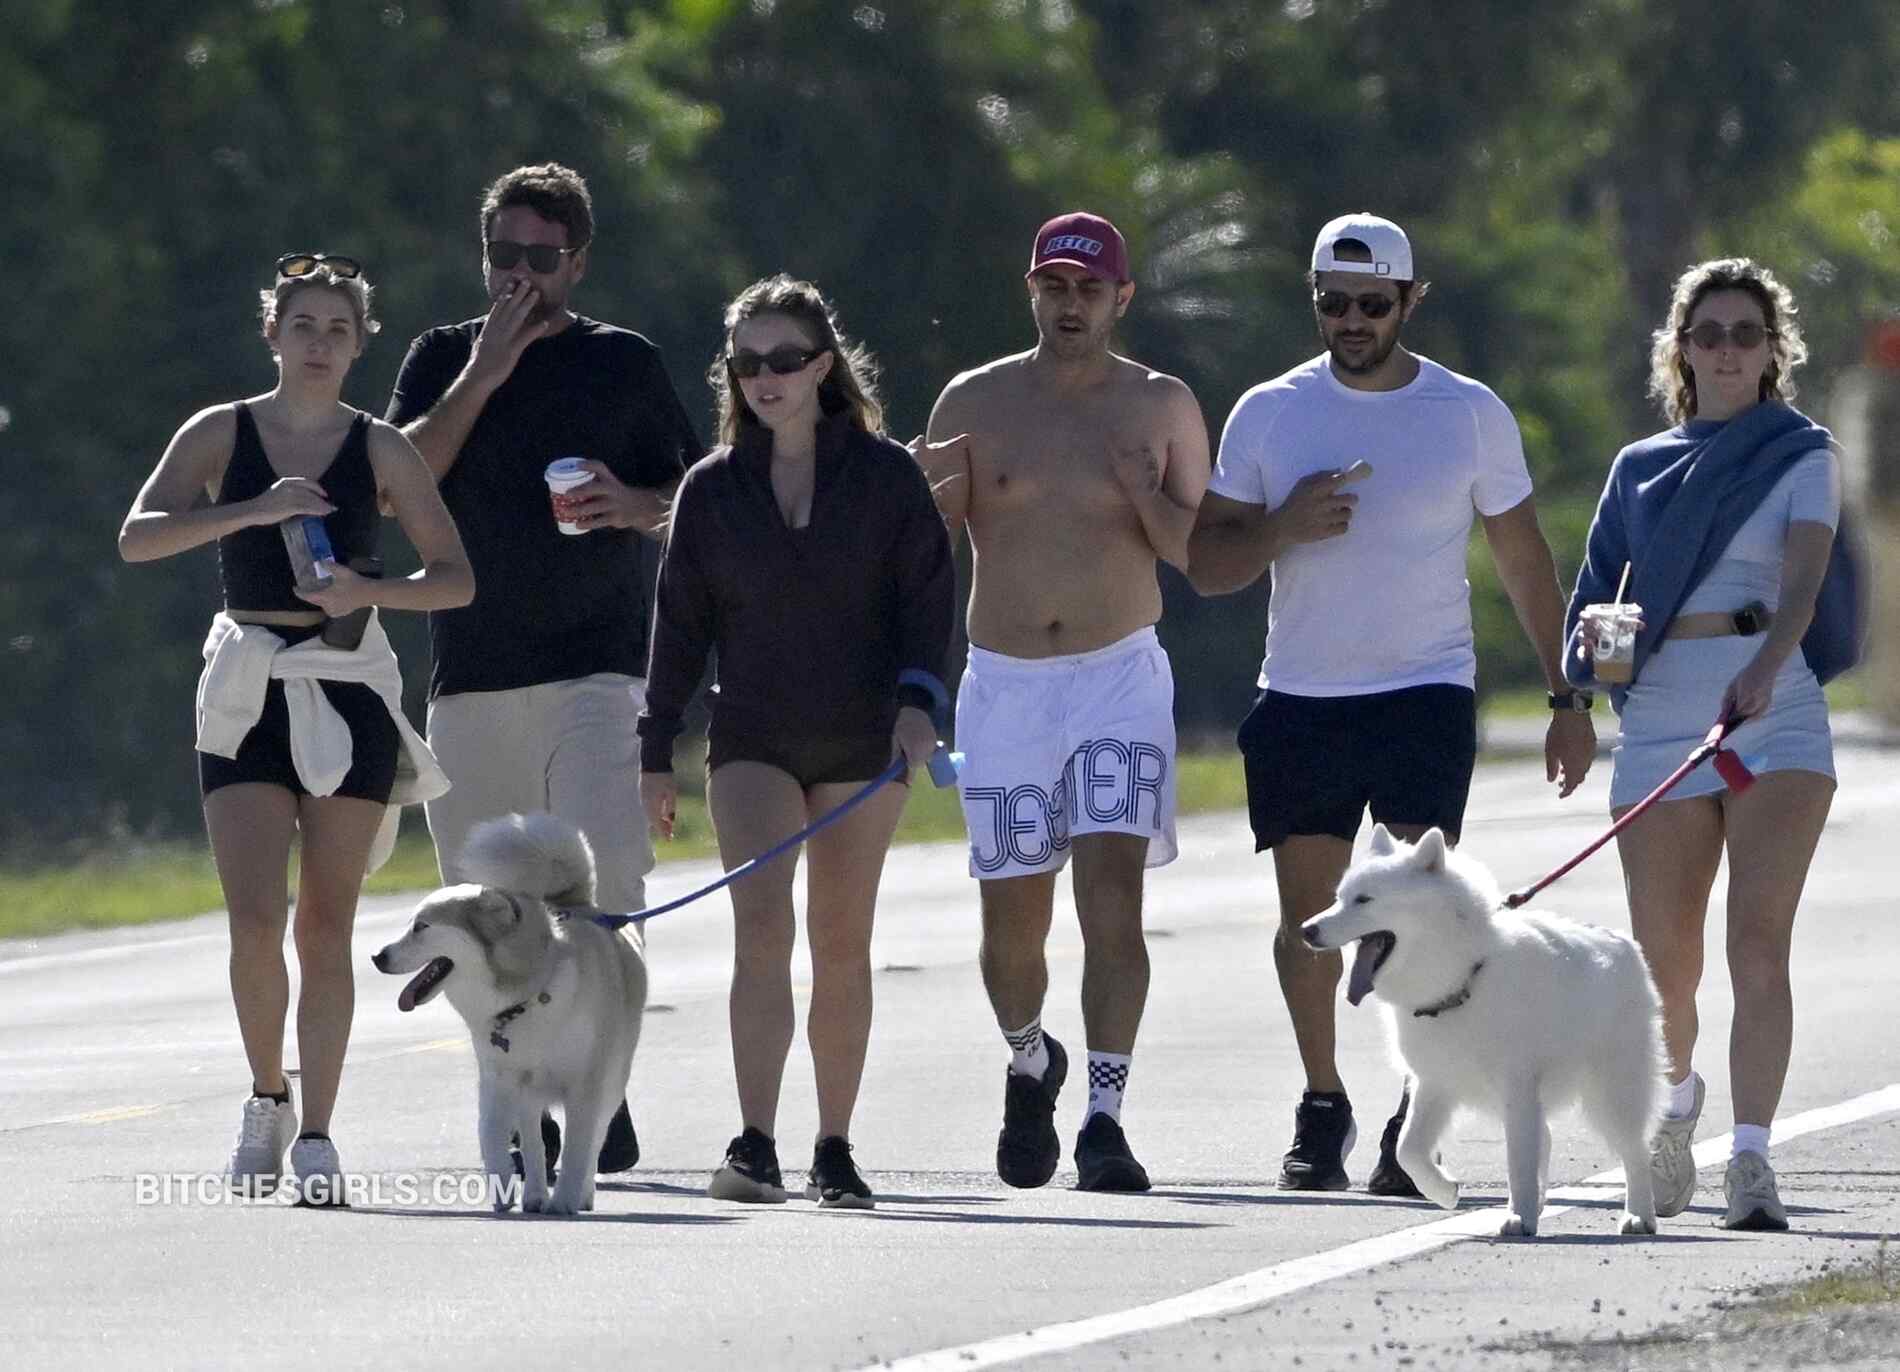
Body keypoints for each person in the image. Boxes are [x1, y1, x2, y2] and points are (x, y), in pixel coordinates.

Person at [1186, 213, 1595, 1196]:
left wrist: (1566, 696)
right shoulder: (1270, 412)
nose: (1353, 320)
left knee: (1421, 920)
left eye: (1374, 303)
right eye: (1334, 302)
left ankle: (1414, 1123)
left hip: (1424, 693)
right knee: (1309, 922)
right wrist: (1282, 527)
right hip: (1303, 695)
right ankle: (1321, 1102)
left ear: (1411, 300)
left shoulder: (1466, 412)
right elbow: (1206, 565)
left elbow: (1523, 557)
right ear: (1315, 301)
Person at [119, 255, 474, 1200]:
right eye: (304, 326)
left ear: (360, 345)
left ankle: (317, 1132)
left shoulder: (380, 447)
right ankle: (267, 1096)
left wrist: (366, 590)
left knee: (325, 924)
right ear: (273, 333)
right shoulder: (221, 431)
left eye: (338, 330)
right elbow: (139, 535)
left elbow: (454, 578)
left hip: (346, 685)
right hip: (247, 686)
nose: (320, 344)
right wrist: (255, 508)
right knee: (253, 919)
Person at [386, 163, 701, 1175]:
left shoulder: (622, 362)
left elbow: (700, 495)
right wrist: (485, 372)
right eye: (503, 255)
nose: (520, 274)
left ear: (578, 263)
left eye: (541, 257)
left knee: (603, 888)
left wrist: (636, 505)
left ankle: (600, 1084)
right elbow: (396, 484)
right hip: (471, 672)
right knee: (483, 916)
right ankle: (521, 1101)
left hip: (597, 670)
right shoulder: (443, 355)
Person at [636, 275, 955, 1208]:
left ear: (822, 367)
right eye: (747, 364)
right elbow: (677, 628)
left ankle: (835, 1145)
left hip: (865, 737)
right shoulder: (710, 489)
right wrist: (654, 749)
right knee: (763, 931)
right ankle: (756, 1140)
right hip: (752, 736)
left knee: (841, 940)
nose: (764, 378)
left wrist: (920, 704)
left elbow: (928, 603)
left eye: (783, 360)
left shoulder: (888, 476)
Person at [916, 212, 1210, 1193]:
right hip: (1006, 684)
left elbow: (1197, 551)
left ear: (1121, 298)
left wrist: (1144, 495)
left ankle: (1105, 1118)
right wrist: (923, 502)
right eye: (1054, 286)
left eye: (1089, 289)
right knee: (1011, 925)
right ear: (1031, 292)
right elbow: (928, 546)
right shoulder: (973, 399)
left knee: (1113, 898)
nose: (1070, 304)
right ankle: (1031, 1056)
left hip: (1117, 675)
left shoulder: (1160, 402)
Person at [1565, 258, 1840, 1232]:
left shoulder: (1801, 452)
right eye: (1709, 334)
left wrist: (1766, 664)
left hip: (1774, 711)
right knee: (1665, 965)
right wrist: (1580, 685)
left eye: (1745, 334)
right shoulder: (1638, 467)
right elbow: (1595, 592)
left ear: (1772, 352)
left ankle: (1752, 1158)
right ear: (1681, 350)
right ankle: (1676, 1110)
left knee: (1756, 944)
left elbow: (1803, 584)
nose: (1727, 350)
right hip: (1661, 720)